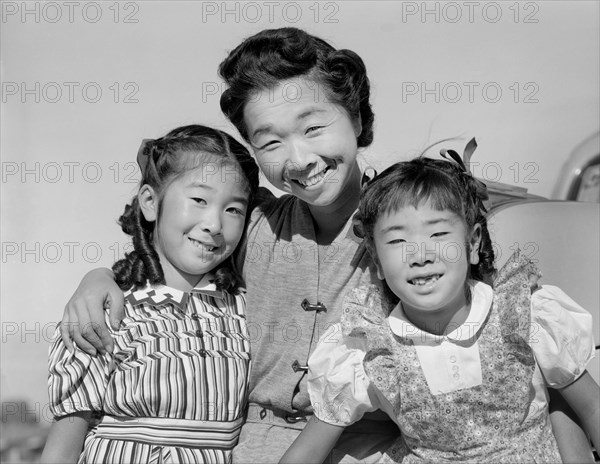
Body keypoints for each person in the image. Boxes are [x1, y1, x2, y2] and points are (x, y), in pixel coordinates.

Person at [56, 28, 593, 463]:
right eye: (269, 141)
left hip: (375, 449)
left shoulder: (414, 226)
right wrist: (101, 277)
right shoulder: (253, 224)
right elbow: (180, 255)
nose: (299, 158)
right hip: (245, 448)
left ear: (356, 119)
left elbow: (525, 349)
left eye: (314, 127)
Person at [279, 144, 599, 463]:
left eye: (437, 234)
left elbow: (592, 407)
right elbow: (307, 451)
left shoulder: (523, 312)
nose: (420, 255)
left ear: (472, 243)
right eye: (397, 241)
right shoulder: (367, 348)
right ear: (376, 261)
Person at [41, 125, 260, 463]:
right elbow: (66, 440)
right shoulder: (109, 311)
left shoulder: (248, 310)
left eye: (233, 209)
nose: (215, 224)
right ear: (149, 202)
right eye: (199, 200)